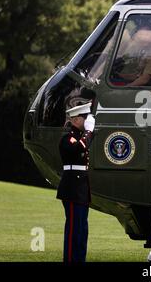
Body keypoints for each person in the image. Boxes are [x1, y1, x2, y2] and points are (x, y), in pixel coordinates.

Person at [56, 101, 95, 263]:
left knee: (82, 228)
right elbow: (78, 148)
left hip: (81, 188)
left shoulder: (80, 137)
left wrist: (88, 132)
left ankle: (80, 259)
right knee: (74, 228)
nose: (87, 121)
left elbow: (85, 143)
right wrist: (89, 131)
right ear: (76, 120)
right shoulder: (68, 138)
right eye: (84, 117)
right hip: (72, 187)